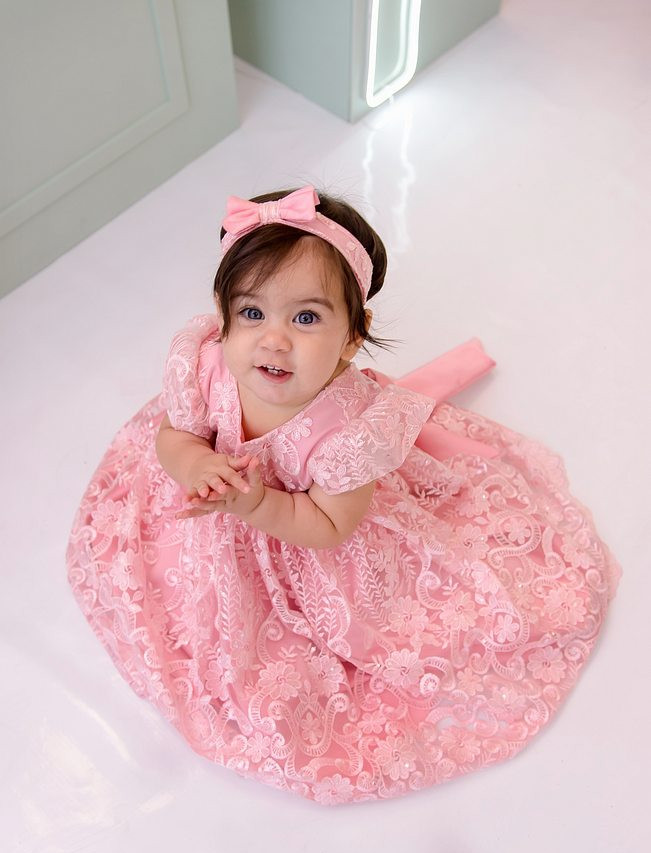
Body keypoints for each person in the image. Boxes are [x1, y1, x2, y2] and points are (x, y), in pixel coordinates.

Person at [67, 185, 621, 805]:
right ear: (223, 316)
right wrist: (195, 462)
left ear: (354, 337)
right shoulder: (208, 366)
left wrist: (258, 505)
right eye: (252, 313)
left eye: (306, 318)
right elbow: (175, 434)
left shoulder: (347, 434)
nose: (273, 340)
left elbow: (331, 526)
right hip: (210, 516)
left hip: (305, 540)